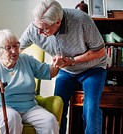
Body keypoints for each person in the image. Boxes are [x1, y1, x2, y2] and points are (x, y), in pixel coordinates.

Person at [19, 0, 108, 134]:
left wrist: (72, 60)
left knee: (90, 109)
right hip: (66, 70)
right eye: (37, 26)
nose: (38, 32)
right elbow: (15, 49)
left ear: (58, 22)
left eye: (44, 29)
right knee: (58, 106)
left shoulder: (82, 21)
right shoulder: (36, 28)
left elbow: (101, 51)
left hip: (93, 69)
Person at [0, 29, 60, 134]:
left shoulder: (26, 60)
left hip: (29, 107)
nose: (14, 51)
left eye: (16, 46)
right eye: (8, 48)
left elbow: (49, 72)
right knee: (12, 118)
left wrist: (57, 62)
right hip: (1, 107)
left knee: (50, 121)